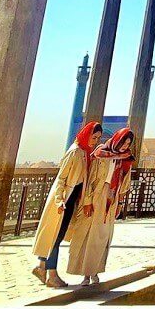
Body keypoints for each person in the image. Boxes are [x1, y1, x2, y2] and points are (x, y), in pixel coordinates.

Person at [32, 121, 102, 288]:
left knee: (56, 235)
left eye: (98, 138)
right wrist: (59, 199)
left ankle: (42, 266)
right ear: (87, 134)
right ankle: (52, 275)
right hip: (63, 201)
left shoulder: (85, 152)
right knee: (55, 237)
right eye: (94, 137)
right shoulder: (75, 152)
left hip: (71, 201)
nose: (95, 141)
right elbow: (61, 178)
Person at [67, 127, 134, 286]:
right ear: (118, 140)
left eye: (128, 143)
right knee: (87, 235)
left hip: (111, 199)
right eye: (124, 142)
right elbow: (90, 178)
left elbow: (125, 182)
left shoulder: (125, 158)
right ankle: (84, 274)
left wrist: (120, 203)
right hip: (95, 197)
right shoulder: (100, 153)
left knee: (102, 237)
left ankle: (95, 271)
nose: (125, 146)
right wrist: (88, 201)